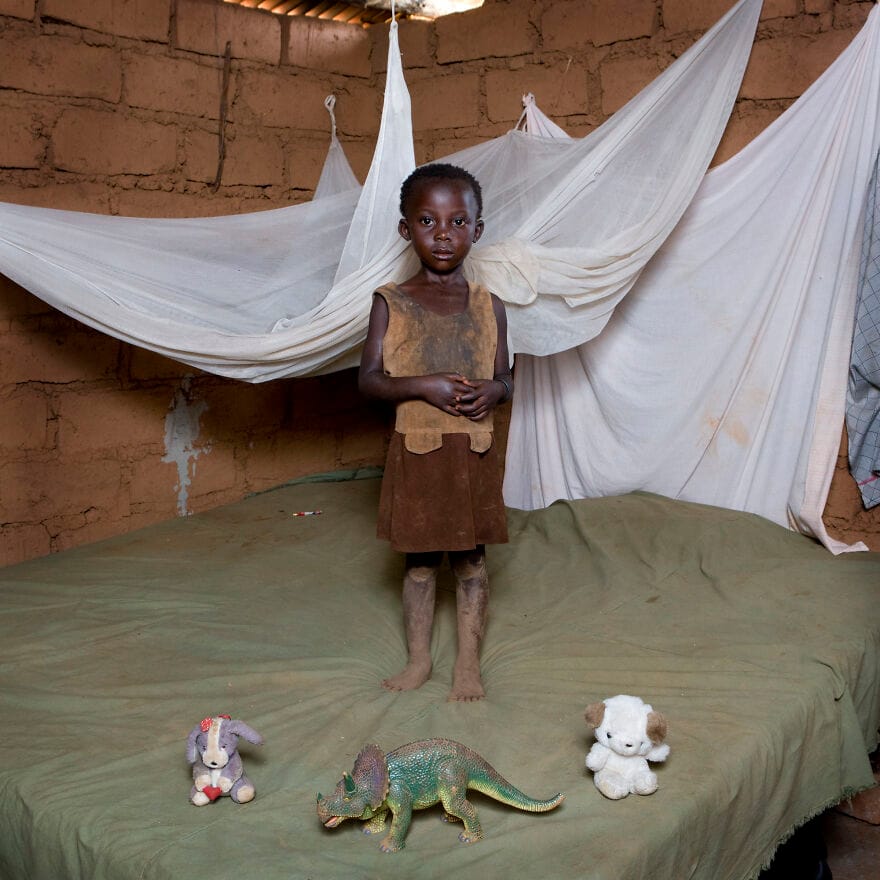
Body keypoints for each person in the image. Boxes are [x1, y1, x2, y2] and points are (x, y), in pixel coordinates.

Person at [359, 163, 513, 703]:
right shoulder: (390, 302)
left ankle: (468, 663)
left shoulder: (489, 306)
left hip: (472, 454)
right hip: (419, 454)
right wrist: (423, 385)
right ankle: (419, 659)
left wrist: (495, 391)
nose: (443, 233)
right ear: (406, 230)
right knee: (420, 563)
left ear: (477, 229)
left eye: (457, 221)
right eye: (427, 220)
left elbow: (506, 377)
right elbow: (369, 382)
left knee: (471, 560)